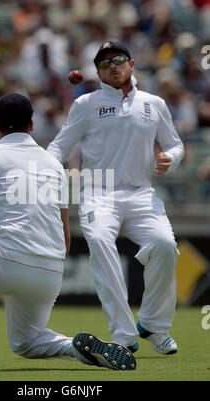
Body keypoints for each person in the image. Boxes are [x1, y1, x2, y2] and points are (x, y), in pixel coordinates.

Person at [0, 93, 136, 372]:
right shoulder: (54, 165)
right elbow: (64, 234)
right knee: (25, 342)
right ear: (32, 125)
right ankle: (74, 347)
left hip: (8, 262)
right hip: (52, 271)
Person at [47, 41, 184, 355]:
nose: (113, 66)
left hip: (141, 194)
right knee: (99, 241)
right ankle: (124, 335)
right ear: (97, 72)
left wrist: (170, 159)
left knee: (164, 246)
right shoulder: (85, 104)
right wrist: (41, 169)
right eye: (105, 63)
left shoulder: (155, 104)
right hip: (98, 194)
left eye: (119, 59)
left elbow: (175, 145)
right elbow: (58, 147)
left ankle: (153, 325)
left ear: (132, 64)